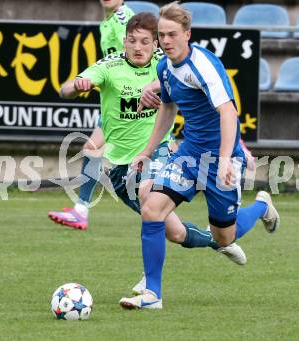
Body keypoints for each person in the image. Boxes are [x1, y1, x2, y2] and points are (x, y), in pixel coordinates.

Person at [57, 11, 249, 296]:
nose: (138, 47)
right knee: (175, 232)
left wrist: (236, 151)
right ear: (123, 42)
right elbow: (65, 89)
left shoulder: (167, 64)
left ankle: (151, 287)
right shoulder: (110, 66)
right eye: (132, 41)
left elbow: (223, 108)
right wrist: (77, 85)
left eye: (146, 41)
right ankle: (218, 239)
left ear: (155, 44)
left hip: (163, 154)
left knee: (149, 197)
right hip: (121, 166)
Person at [119, 2, 280, 310]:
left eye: (172, 34)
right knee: (152, 209)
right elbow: (167, 108)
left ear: (187, 34)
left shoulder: (203, 65)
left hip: (220, 156)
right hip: (189, 153)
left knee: (224, 237)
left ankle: (261, 206)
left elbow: (228, 112)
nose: (166, 41)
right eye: (161, 35)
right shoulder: (164, 68)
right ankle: (152, 294)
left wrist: (223, 161)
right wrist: (147, 151)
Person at [48, 0, 134, 230]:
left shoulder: (123, 16)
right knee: (92, 150)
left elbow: (141, 51)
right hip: (115, 100)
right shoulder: (106, 22)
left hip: (127, 100)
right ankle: (81, 209)